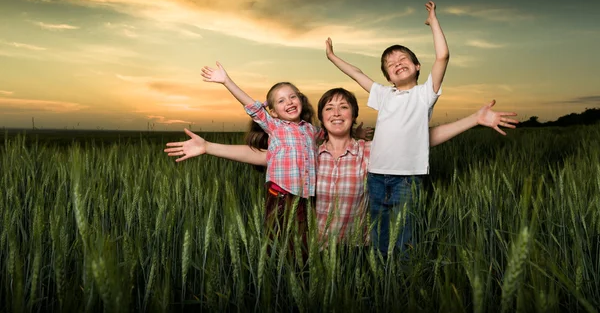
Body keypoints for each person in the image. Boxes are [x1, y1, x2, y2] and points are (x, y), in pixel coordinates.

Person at [164, 88, 518, 248]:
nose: (336, 112)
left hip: (357, 250)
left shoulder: (369, 152)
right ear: (320, 117)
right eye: (329, 107)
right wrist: (208, 146)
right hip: (315, 251)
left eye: (344, 107)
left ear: (353, 116)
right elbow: (257, 155)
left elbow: (424, 138)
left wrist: (475, 118)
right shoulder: (307, 150)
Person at [325, 1, 450, 255]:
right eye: (390, 63)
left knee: (404, 237)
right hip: (376, 176)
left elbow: (442, 56)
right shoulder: (383, 95)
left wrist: (433, 21)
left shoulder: (425, 93)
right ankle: (382, 278)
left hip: (408, 177)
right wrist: (332, 56)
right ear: (388, 77)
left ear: (417, 67)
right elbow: (356, 73)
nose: (397, 62)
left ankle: (401, 278)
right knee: (379, 235)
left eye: (403, 58)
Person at [200, 62, 319, 249]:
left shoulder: (311, 129)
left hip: (306, 196)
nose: (289, 102)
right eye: (281, 101)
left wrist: (356, 134)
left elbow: (329, 136)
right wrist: (227, 81)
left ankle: (300, 274)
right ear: (273, 112)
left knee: (302, 242)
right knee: (278, 240)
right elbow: (252, 106)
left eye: (292, 97)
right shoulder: (275, 126)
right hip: (281, 194)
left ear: (301, 101)